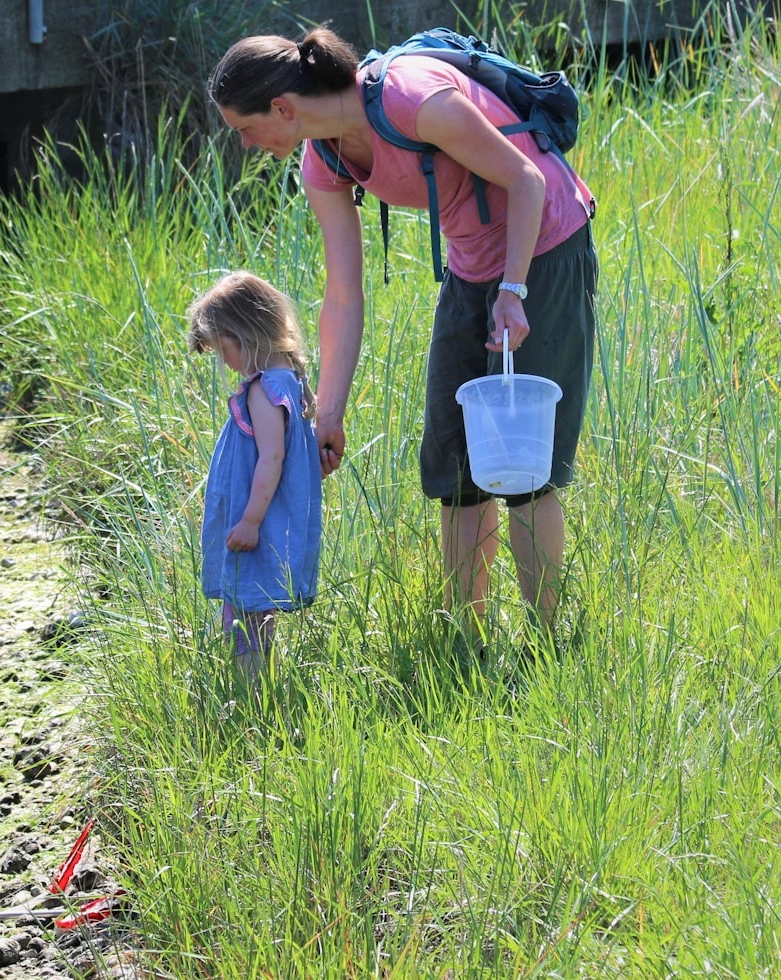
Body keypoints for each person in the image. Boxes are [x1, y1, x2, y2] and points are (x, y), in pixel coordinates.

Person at [208, 27, 598, 644]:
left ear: (281, 107)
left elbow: (528, 180)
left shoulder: (414, 101)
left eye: (245, 128)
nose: (246, 144)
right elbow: (343, 294)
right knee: (454, 465)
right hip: (471, 267)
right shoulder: (323, 160)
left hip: (543, 248)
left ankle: (548, 644)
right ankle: (465, 641)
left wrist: (514, 291)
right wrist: (328, 413)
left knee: (523, 461)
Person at [187, 271, 323, 677]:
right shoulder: (290, 381)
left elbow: (272, 458)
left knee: (244, 615)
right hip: (271, 519)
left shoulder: (264, 390)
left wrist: (249, 520)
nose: (226, 363)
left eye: (223, 349)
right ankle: (262, 684)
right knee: (255, 612)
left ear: (246, 335)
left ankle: (250, 692)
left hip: (259, 523)